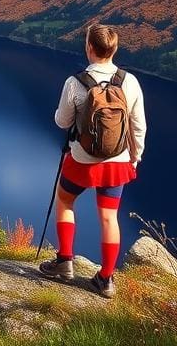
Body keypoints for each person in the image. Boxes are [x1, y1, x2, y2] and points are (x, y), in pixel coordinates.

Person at [38, 22, 147, 298]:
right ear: (115, 48)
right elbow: (138, 126)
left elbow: (62, 121)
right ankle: (106, 279)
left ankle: (65, 261)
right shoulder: (129, 82)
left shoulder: (75, 83)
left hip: (82, 160)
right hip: (117, 162)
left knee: (65, 200)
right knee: (109, 217)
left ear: (89, 48)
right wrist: (135, 158)